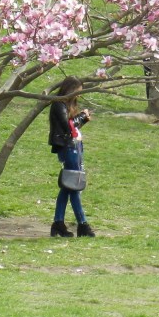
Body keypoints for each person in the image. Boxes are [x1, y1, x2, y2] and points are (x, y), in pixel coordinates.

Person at [48, 77, 95, 238]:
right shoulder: (58, 104)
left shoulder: (68, 105)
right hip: (67, 147)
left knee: (68, 185)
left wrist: (83, 119)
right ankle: (82, 223)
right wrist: (82, 117)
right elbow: (67, 126)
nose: (79, 96)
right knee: (74, 183)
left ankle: (58, 223)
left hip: (74, 145)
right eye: (77, 92)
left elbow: (72, 127)